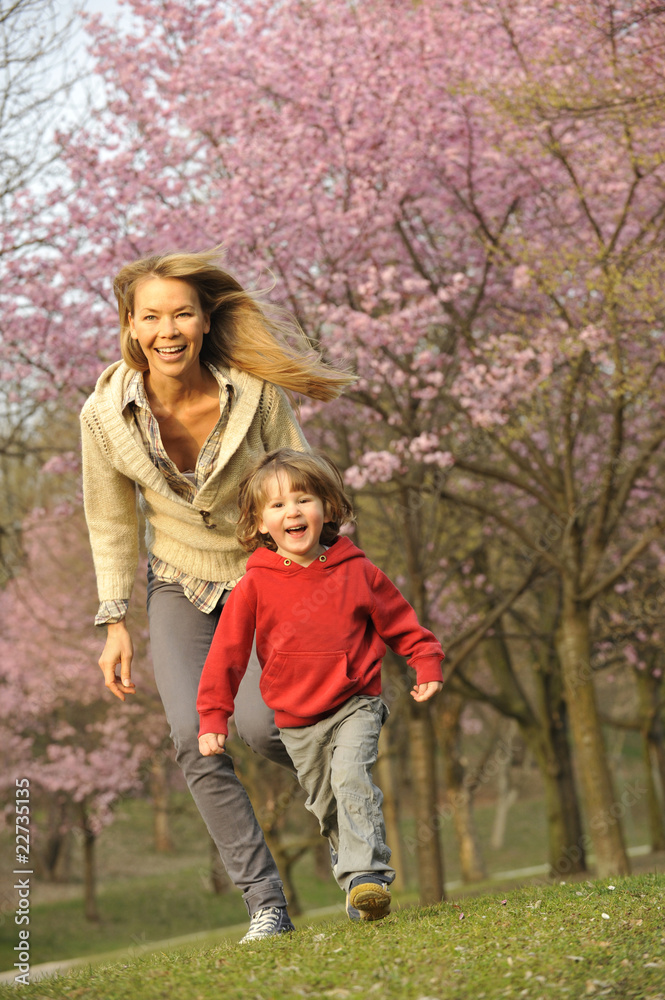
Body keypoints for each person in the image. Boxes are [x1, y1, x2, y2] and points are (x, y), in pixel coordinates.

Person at [80, 248, 354, 942]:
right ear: (131, 326)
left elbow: (304, 483)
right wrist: (114, 621)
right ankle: (265, 903)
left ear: (204, 321)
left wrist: (325, 580)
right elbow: (110, 519)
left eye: (180, 313)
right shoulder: (104, 415)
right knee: (191, 740)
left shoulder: (255, 395)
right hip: (178, 580)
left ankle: (353, 823)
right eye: (150, 316)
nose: (166, 329)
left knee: (265, 726)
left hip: (268, 575)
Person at [197, 448, 445, 921]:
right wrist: (213, 716)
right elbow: (226, 655)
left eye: (303, 499)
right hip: (295, 717)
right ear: (259, 523)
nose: (292, 511)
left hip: (356, 702)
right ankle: (355, 885)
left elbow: (402, 623)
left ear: (327, 509)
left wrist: (426, 660)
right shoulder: (254, 586)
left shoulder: (357, 571)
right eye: (276, 505)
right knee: (328, 803)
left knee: (352, 778)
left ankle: (368, 877)